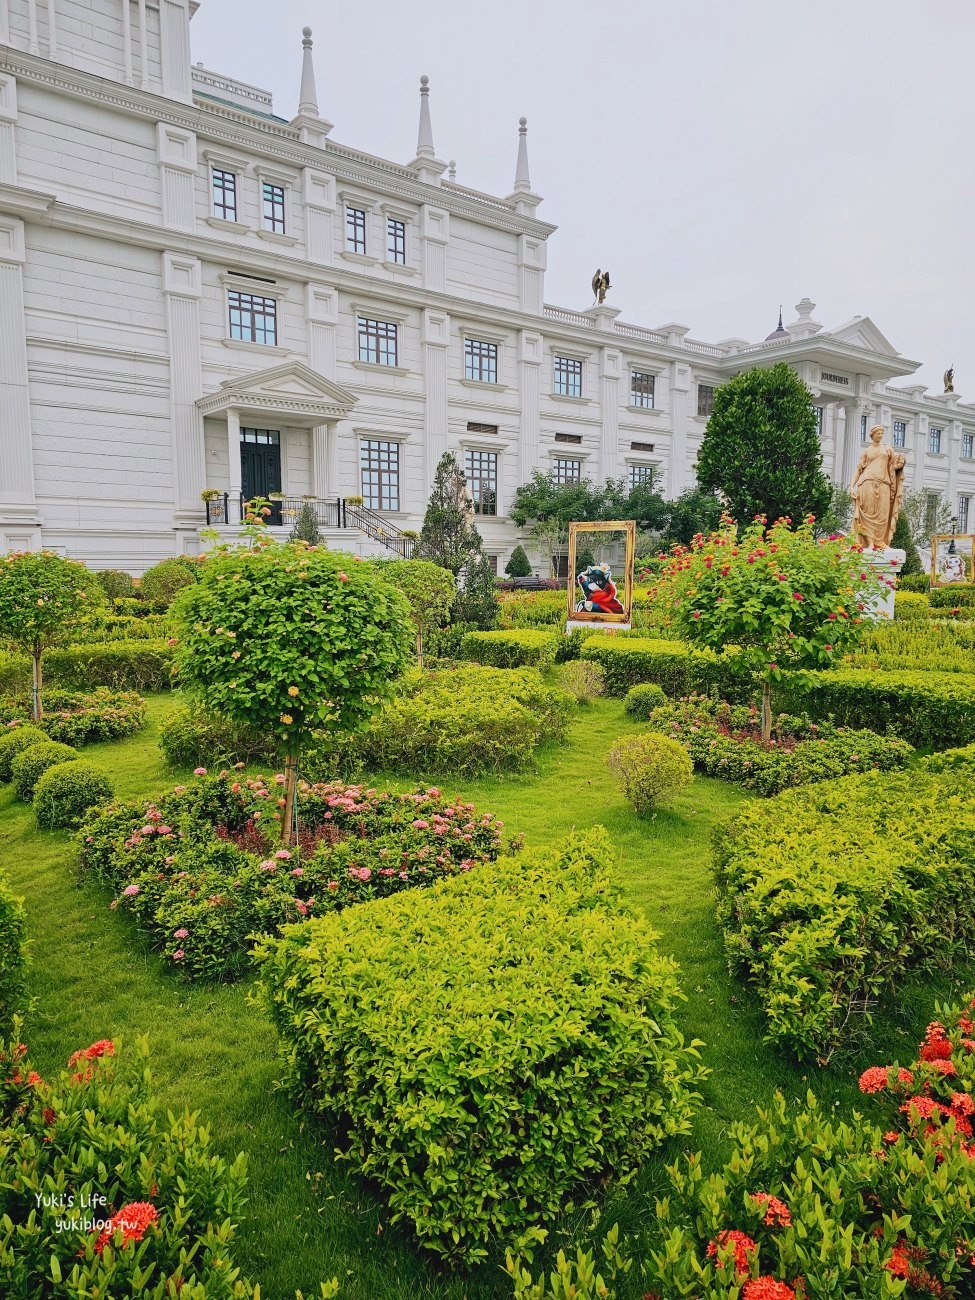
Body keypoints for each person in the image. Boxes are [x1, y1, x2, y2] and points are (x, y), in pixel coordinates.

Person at [849, 425, 906, 550]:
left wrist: (901, 463)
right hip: (867, 483)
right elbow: (858, 470)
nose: (880, 435)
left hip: (884, 484)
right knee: (867, 513)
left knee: (883, 514)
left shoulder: (887, 449)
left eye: (882, 433)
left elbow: (894, 465)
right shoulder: (867, 451)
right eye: (878, 433)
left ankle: (879, 542)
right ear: (872, 435)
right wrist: (851, 486)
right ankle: (869, 543)